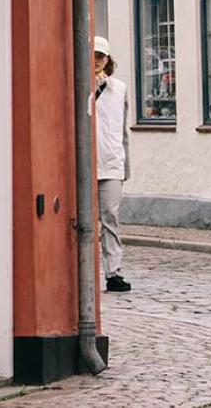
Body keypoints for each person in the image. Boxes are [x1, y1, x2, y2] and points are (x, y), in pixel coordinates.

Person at [93, 36, 132, 293]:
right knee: (83, 221)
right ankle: (84, 270)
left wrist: (124, 166)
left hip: (112, 162)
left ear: (108, 60)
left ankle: (113, 272)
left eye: (101, 56)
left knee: (110, 217)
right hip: (87, 164)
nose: (96, 61)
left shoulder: (119, 89)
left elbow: (123, 128)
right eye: (93, 56)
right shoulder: (79, 85)